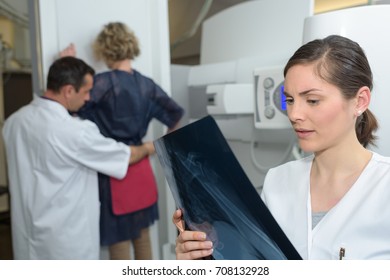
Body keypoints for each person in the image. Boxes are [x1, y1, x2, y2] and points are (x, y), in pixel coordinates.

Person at [173, 35, 390, 260]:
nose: (294, 115)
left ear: (360, 101)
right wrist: (204, 258)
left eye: (313, 100)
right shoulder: (277, 181)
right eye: (290, 100)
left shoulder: (384, 187)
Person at [2, 56, 154, 260]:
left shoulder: (14, 122)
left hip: (26, 239)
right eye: (86, 91)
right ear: (68, 90)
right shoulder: (75, 132)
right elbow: (126, 155)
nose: (89, 98)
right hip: (66, 243)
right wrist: (148, 147)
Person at [61, 22, 184, 260]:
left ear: (105, 50)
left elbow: (70, 108)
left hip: (113, 169)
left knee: (119, 245)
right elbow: (175, 114)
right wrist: (159, 146)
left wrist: (66, 66)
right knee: (143, 240)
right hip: (141, 170)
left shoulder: (101, 83)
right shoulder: (146, 84)